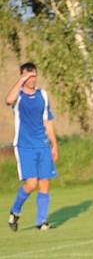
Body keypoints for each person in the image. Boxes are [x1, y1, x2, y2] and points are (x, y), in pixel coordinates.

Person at [5, 62, 58, 231]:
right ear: (22, 76)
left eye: (34, 75)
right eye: (28, 76)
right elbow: (8, 100)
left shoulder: (43, 95)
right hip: (24, 146)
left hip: (43, 145)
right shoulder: (18, 96)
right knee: (31, 183)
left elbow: (47, 122)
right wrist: (21, 81)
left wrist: (54, 144)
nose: (32, 79)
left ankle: (41, 222)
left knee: (45, 183)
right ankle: (15, 211)